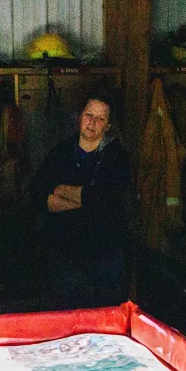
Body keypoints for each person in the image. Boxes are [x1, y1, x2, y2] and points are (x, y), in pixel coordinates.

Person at [29, 91, 131, 310]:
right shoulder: (60, 153)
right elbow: (38, 194)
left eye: (100, 118)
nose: (92, 122)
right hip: (65, 255)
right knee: (67, 319)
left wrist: (60, 191)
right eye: (88, 115)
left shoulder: (117, 157)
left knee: (106, 319)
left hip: (106, 256)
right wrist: (87, 200)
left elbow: (106, 199)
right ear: (79, 117)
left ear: (108, 126)